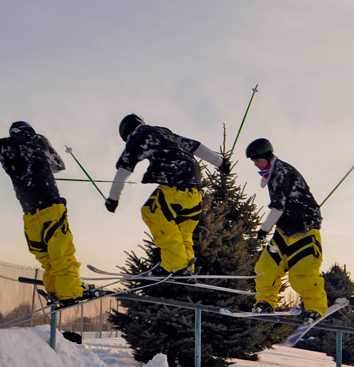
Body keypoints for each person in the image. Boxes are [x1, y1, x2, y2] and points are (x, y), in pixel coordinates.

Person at [0, 121, 90, 307]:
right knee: (61, 253)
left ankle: (55, 289)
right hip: (50, 206)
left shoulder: (6, 145)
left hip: (29, 215)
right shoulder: (38, 140)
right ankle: (69, 293)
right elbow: (59, 165)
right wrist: (44, 167)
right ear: (29, 131)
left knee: (46, 258)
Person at [104, 114, 227, 276]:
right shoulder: (164, 132)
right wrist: (220, 162)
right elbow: (195, 146)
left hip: (175, 179)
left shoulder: (137, 136)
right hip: (194, 186)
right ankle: (185, 267)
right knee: (183, 227)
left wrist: (113, 199)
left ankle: (175, 265)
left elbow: (124, 169)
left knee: (152, 213)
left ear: (127, 133)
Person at [245, 139, 327, 320]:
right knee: (266, 266)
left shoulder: (282, 172)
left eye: (256, 159)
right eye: (252, 160)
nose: (255, 163)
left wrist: (264, 229)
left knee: (302, 273)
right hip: (285, 230)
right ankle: (265, 302)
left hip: (304, 228)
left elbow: (278, 207)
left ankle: (316, 308)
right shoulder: (271, 173)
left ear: (267, 156)